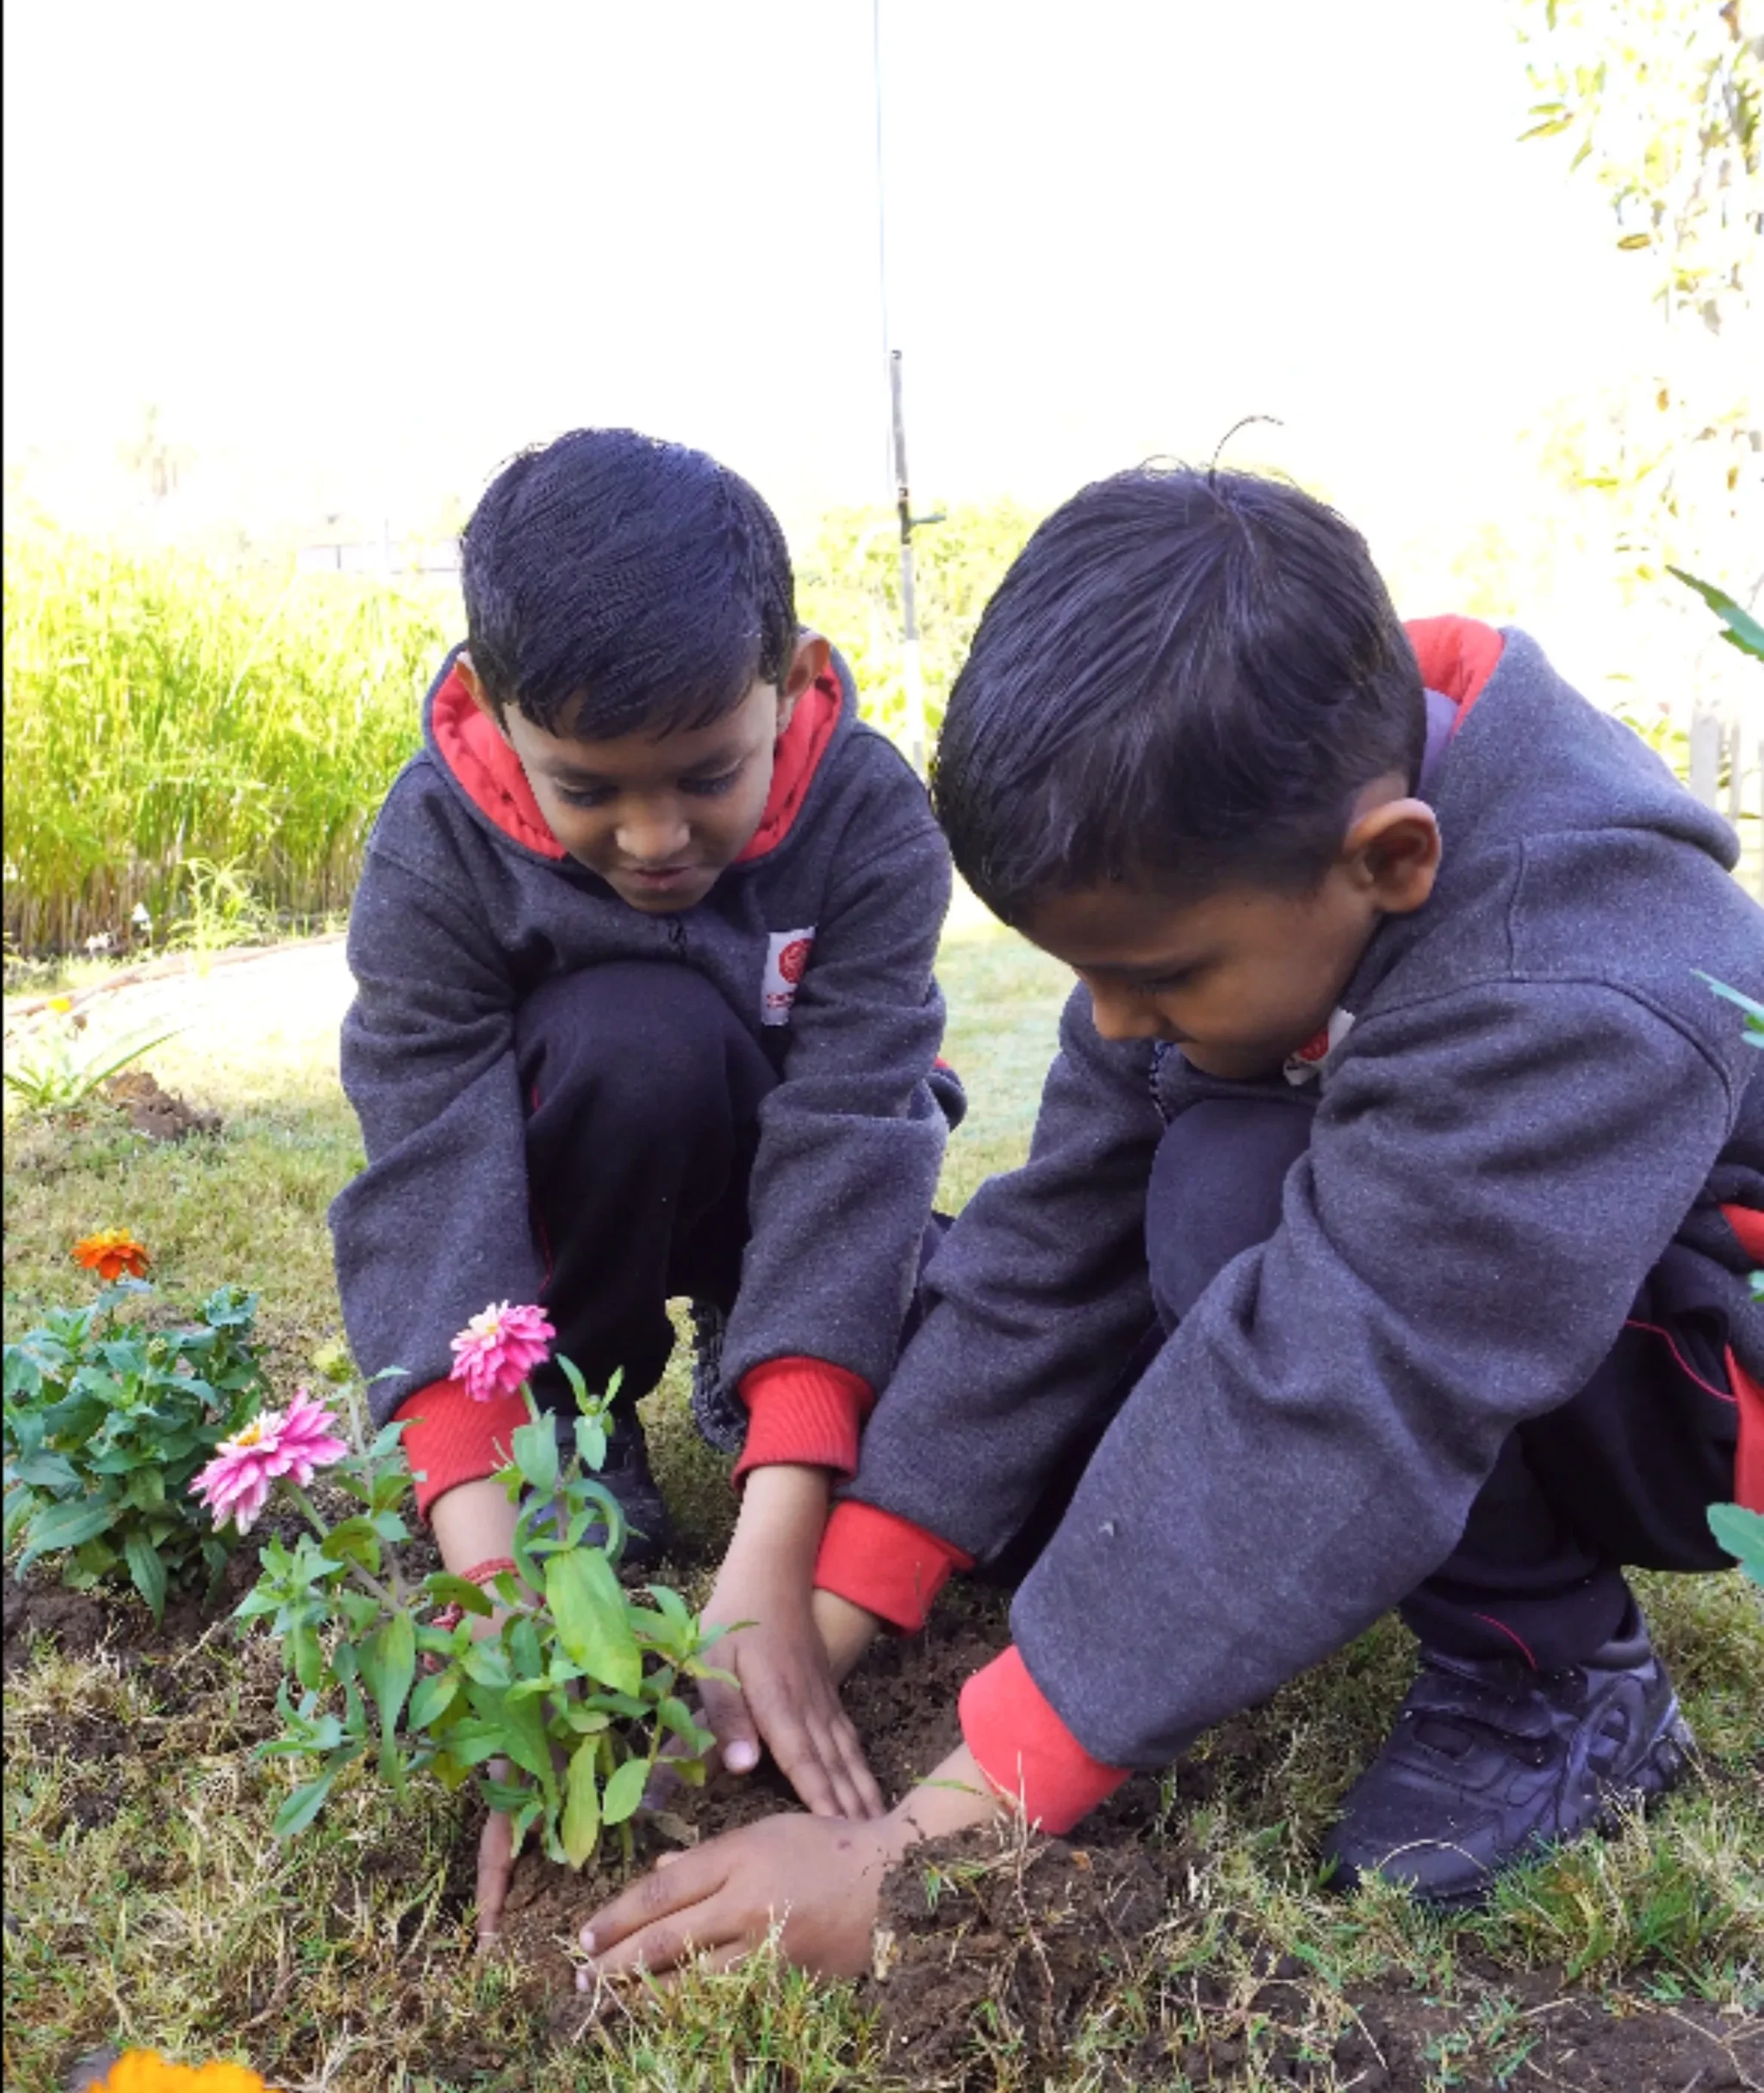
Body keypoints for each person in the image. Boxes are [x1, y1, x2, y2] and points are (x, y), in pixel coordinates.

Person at [575, 462, 1764, 1985]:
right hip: (1546, 1300)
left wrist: (918, 1845)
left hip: (1714, 1374)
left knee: (1229, 1201)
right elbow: (1047, 1253)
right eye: (1088, 976)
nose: (1116, 1023)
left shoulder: (1567, 980)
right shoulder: (1240, 833)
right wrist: (833, 1603)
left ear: (1391, 860)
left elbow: (1334, 1397)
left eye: (1164, 978)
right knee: (1186, 1171)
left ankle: (1560, 1685)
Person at [327, 426, 964, 1940]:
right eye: (590, 790)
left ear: (790, 680)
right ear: (490, 713)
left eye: (706, 775)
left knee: (955, 1324)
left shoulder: (872, 816)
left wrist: (778, 1539)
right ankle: (581, 1442)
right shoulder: (433, 845)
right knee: (629, 1034)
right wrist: (498, 1606)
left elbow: (859, 1133)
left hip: (784, 1182)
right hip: (575, 1178)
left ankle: (768, 1398)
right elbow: (433, 1175)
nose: (657, 836)